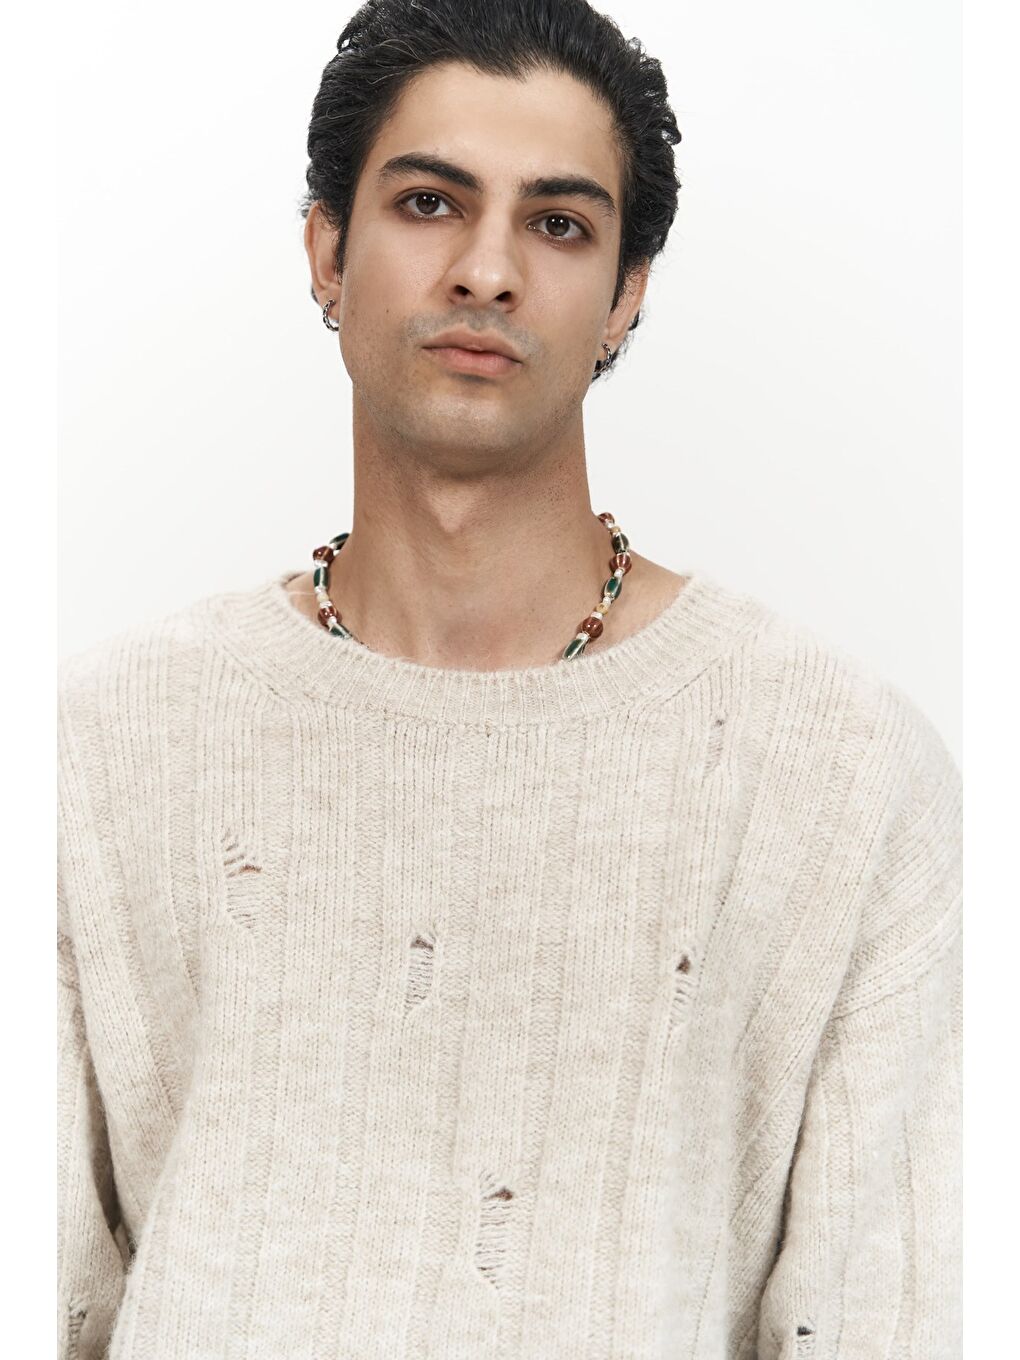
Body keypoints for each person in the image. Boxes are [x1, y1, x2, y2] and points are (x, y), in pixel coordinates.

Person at [56, 1, 962, 1356]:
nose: (486, 271)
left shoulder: (844, 771)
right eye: (429, 203)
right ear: (326, 249)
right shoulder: (102, 747)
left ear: (627, 293)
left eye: (558, 223)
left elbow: (889, 1311)